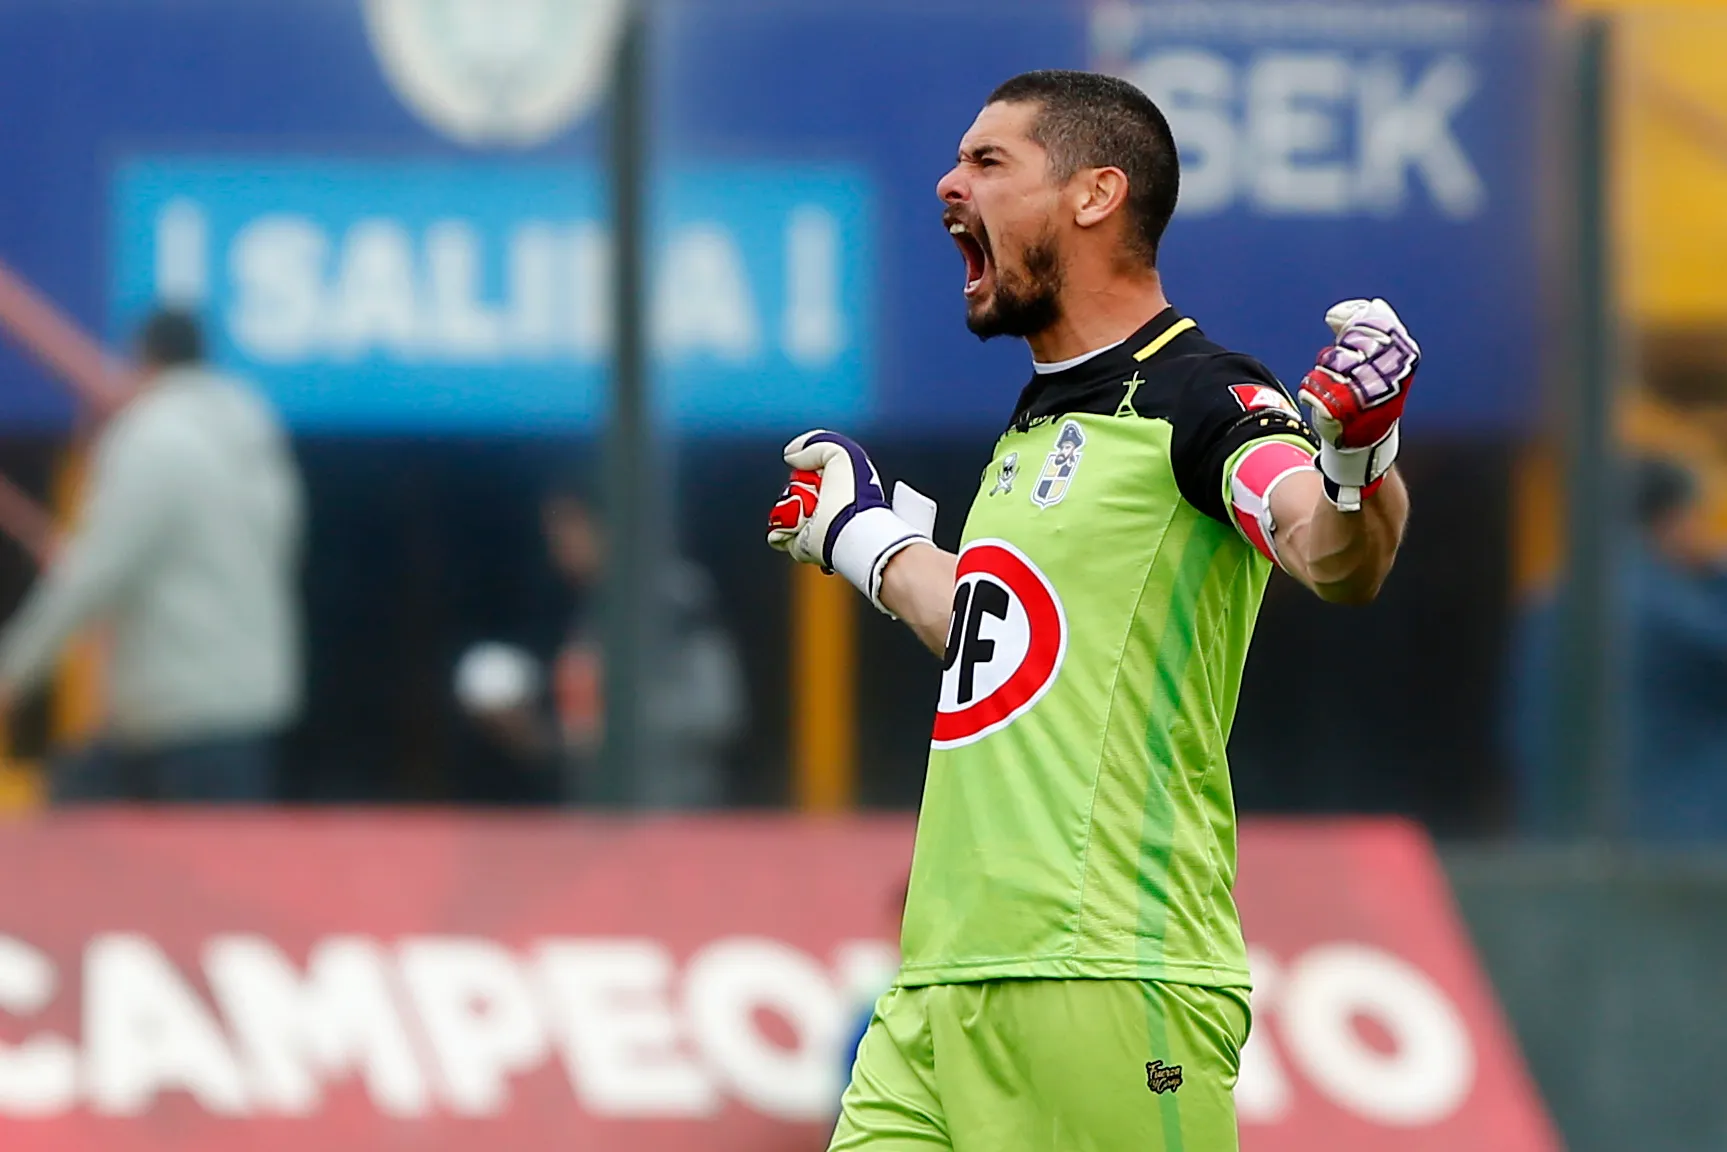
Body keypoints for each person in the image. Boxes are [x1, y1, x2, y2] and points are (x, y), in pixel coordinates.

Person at [766, 71, 1417, 1151]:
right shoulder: (1036, 426)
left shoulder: (1205, 399)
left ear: (1093, 193)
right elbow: (995, 631)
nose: (947, 183)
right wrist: (867, 539)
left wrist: (1358, 454)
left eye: (987, 162)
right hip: (937, 985)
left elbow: (1329, 552)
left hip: (1107, 976)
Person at [0, 310, 304, 802]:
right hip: (251, 710)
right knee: (223, 870)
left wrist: (12, 672)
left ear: (144, 362)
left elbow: (92, 577)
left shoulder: (153, 439)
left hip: (175, 717)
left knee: (85, 835)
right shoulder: (255, 435)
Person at [460, 480, 747, 808]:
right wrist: (531, 734)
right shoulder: (591, 610)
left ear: (610, 527)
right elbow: (585, 734)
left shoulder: (672, 599)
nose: (558, 544)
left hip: (671, 819)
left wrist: (612, 727)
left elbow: (717, 712)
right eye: (553, 531)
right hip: (604, 820)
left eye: (569, 528)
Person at [1512, 456, 1727, 840]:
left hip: (1561, 817)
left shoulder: (1554, 595)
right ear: (1672, 518)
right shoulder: (1660, 600)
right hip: (1667, 825)